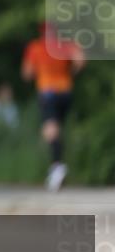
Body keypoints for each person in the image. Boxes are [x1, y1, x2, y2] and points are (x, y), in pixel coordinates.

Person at [22, 22, 85, 191]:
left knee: (50, 130)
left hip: (48, 92)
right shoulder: (65, 46)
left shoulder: (36, 47)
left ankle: (57, 167)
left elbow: (27, 73)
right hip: (66, 92)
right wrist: (69, 73)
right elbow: (81, 60)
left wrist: (38, 72)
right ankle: (56, 166)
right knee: (55, 130)